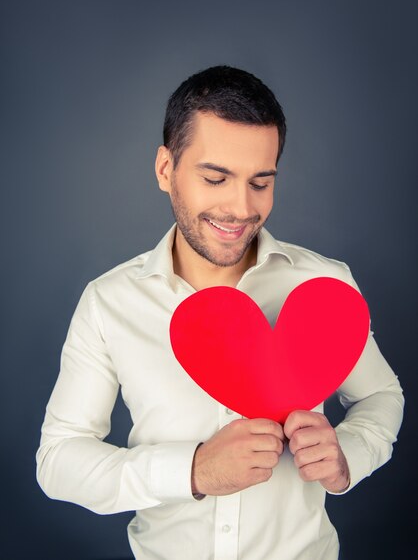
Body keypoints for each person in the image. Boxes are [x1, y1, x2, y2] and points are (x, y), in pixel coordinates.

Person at [36, 65, 404, 560]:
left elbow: (381, 395)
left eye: (260, 182)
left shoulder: (325, 285)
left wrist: (347, 457)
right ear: (166, 170)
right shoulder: (109, 303)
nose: (240, 208)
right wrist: (193, 471)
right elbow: (59, 460)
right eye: (216, 177)